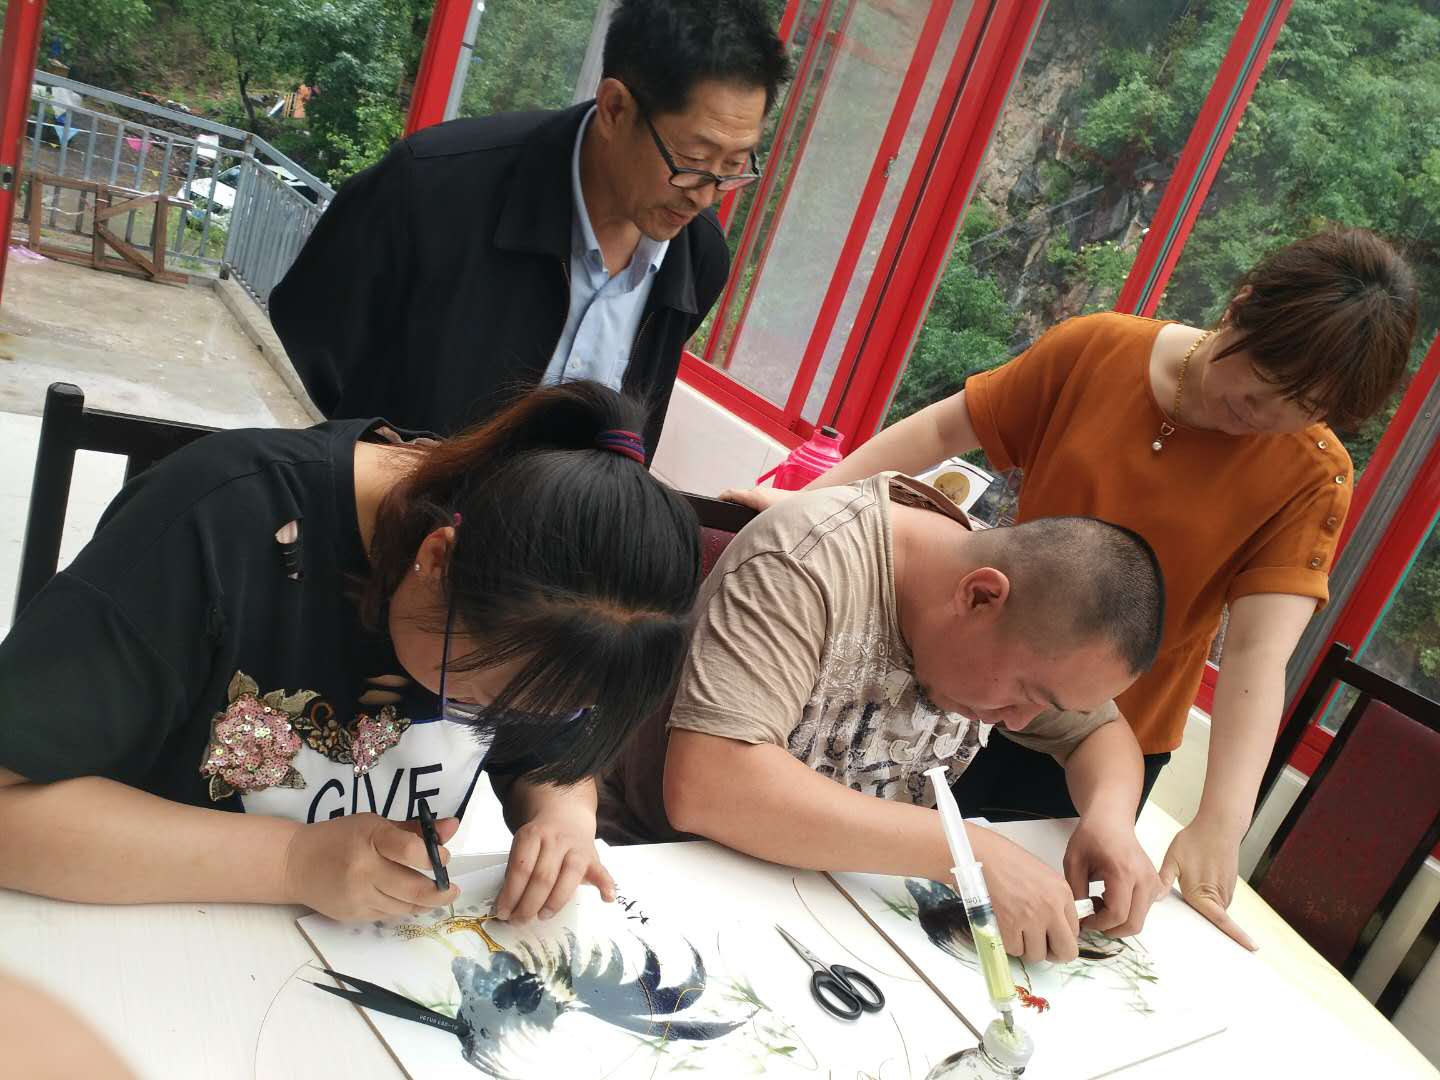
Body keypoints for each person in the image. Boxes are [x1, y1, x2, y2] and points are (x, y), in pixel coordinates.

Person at [778, 228, 1420, 949]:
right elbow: (942, 430)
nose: (1266, 415)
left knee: (1005, 941)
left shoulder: (1313, 473)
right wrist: (804, 510)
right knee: (856, 887)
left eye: (1305, 406)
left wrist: (1220, 822)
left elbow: (1257, 656)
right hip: (971, 679)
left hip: (1105, 753)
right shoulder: (1098, 350)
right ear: (1241, 308)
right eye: (1265, 380)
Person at [0, 382, 702, 925]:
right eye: (479, 699)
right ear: (437, 560)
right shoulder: (217, 522)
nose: (506, 722)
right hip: (141, 947)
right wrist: (290, 862)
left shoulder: (551, 601)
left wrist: (563, 816)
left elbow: (549, 753)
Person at [599, 473, 1168, 963]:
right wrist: (968, 854)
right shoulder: (805, 562)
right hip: (651, 875)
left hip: (827, 905)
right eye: (1027, 692)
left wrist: (1110, 821)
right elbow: (710, 786)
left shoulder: (1025, 623)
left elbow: (1101, 733)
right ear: (979, 597)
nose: (1018, 723)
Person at [269, 0, 792, 455]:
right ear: (615, 108)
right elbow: (312, 323)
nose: (705, 194)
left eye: (733, 166)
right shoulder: (432, 186)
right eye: (693, 159)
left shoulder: (698, 255)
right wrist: (382, 448)